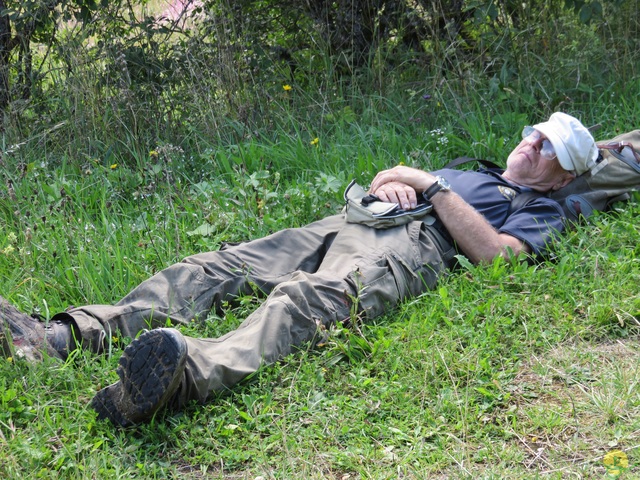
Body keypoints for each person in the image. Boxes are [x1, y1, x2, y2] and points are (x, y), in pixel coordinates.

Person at [0, 112, 598, 427]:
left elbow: (497, 257)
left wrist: (429, 183)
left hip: (415, 246)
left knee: (307, 300)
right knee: (216, 267)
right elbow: (392, 178)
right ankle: (60, 336)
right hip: (356, 217)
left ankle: (182, 377)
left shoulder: (547, 208)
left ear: (566, 176)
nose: (532, 145)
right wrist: (393, 180)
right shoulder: (482, 169)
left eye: (548, 149)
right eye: (534, 134)